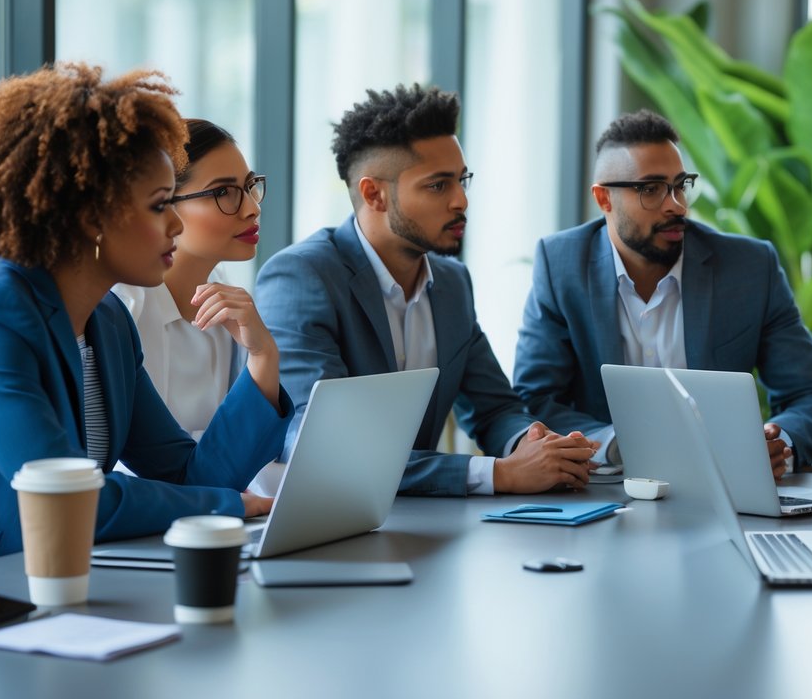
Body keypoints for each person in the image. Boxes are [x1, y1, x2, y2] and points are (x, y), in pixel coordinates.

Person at [0, 63, 292, 564]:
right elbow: (64, 494)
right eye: (159, 206)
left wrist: (262, 363)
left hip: (53, 572)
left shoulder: (108, 322)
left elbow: (188, 477)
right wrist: (223, 505)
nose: (176, 223)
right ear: (90, 217)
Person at [255, 84, 598, 497]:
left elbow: (495, 409)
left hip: (423, 524)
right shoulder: (300, 277)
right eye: (438, 186)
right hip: (320, 523)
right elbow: (323, 448)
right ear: (374, 194)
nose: (461, 201)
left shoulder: (452, 282)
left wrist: (536, 444)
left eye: (462, 180)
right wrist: (500, 474)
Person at [513, 110, 812, 477]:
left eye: (680, 185)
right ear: (604, 199)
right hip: (609, 493)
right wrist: (617, 446)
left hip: (729, 488)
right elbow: (535, 399)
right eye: (651, 189)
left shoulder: (748, 268)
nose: (676, 205)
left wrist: (780, 445)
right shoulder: (562, 266)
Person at [112, 119, 285, 494]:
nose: (251, 209)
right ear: (162, 205)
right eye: (224, 192)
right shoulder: (121, 308)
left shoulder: (227, 302)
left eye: (249, 187)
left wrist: (263, 356)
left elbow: (220, 475)